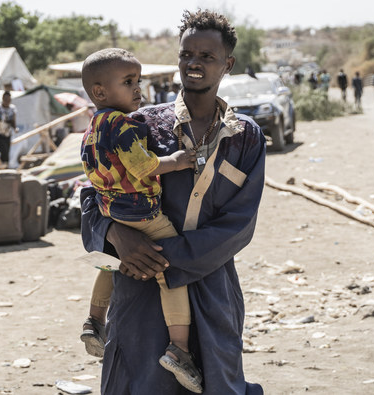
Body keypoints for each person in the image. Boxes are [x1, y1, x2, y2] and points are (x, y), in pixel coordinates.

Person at [80, 9, 265, 395]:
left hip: (211, 285)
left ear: (227, 64)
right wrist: (118, 237)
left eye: (206, 57)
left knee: (217, 380)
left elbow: (239, 224)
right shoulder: (137, 124)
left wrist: (168, 257)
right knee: (140, 381)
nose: (193, 64)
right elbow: (91, 197)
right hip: (139, 282)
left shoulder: (245, 137)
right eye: (186, 55)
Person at [79, 48, 201, 392]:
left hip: (112, 209)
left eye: (138, 80)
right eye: (128, 82)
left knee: (111, 264)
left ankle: (93, 320)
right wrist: (176, 161)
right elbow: (144, 165)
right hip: (142, 211)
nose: (138, 89)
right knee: (171, 273)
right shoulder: (122, 124)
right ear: (100, 92)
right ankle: (179, 349)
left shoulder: (92, 126)